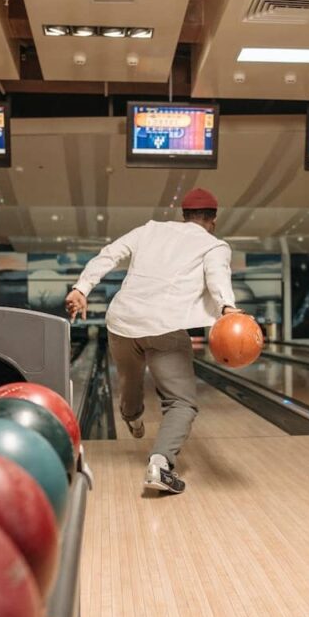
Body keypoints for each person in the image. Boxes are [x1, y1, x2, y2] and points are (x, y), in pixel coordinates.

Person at [65, 188, 239, 493]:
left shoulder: (149, 229)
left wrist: (81, 289)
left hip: (122, 323)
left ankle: (131, 417)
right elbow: (217, 279)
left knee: (129, 382)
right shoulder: (215, 245)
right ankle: (160, 465)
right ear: (213, 219)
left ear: (183, 215)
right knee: (182, 401)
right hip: (166, 327)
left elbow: (110, 254)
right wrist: (228, 308)